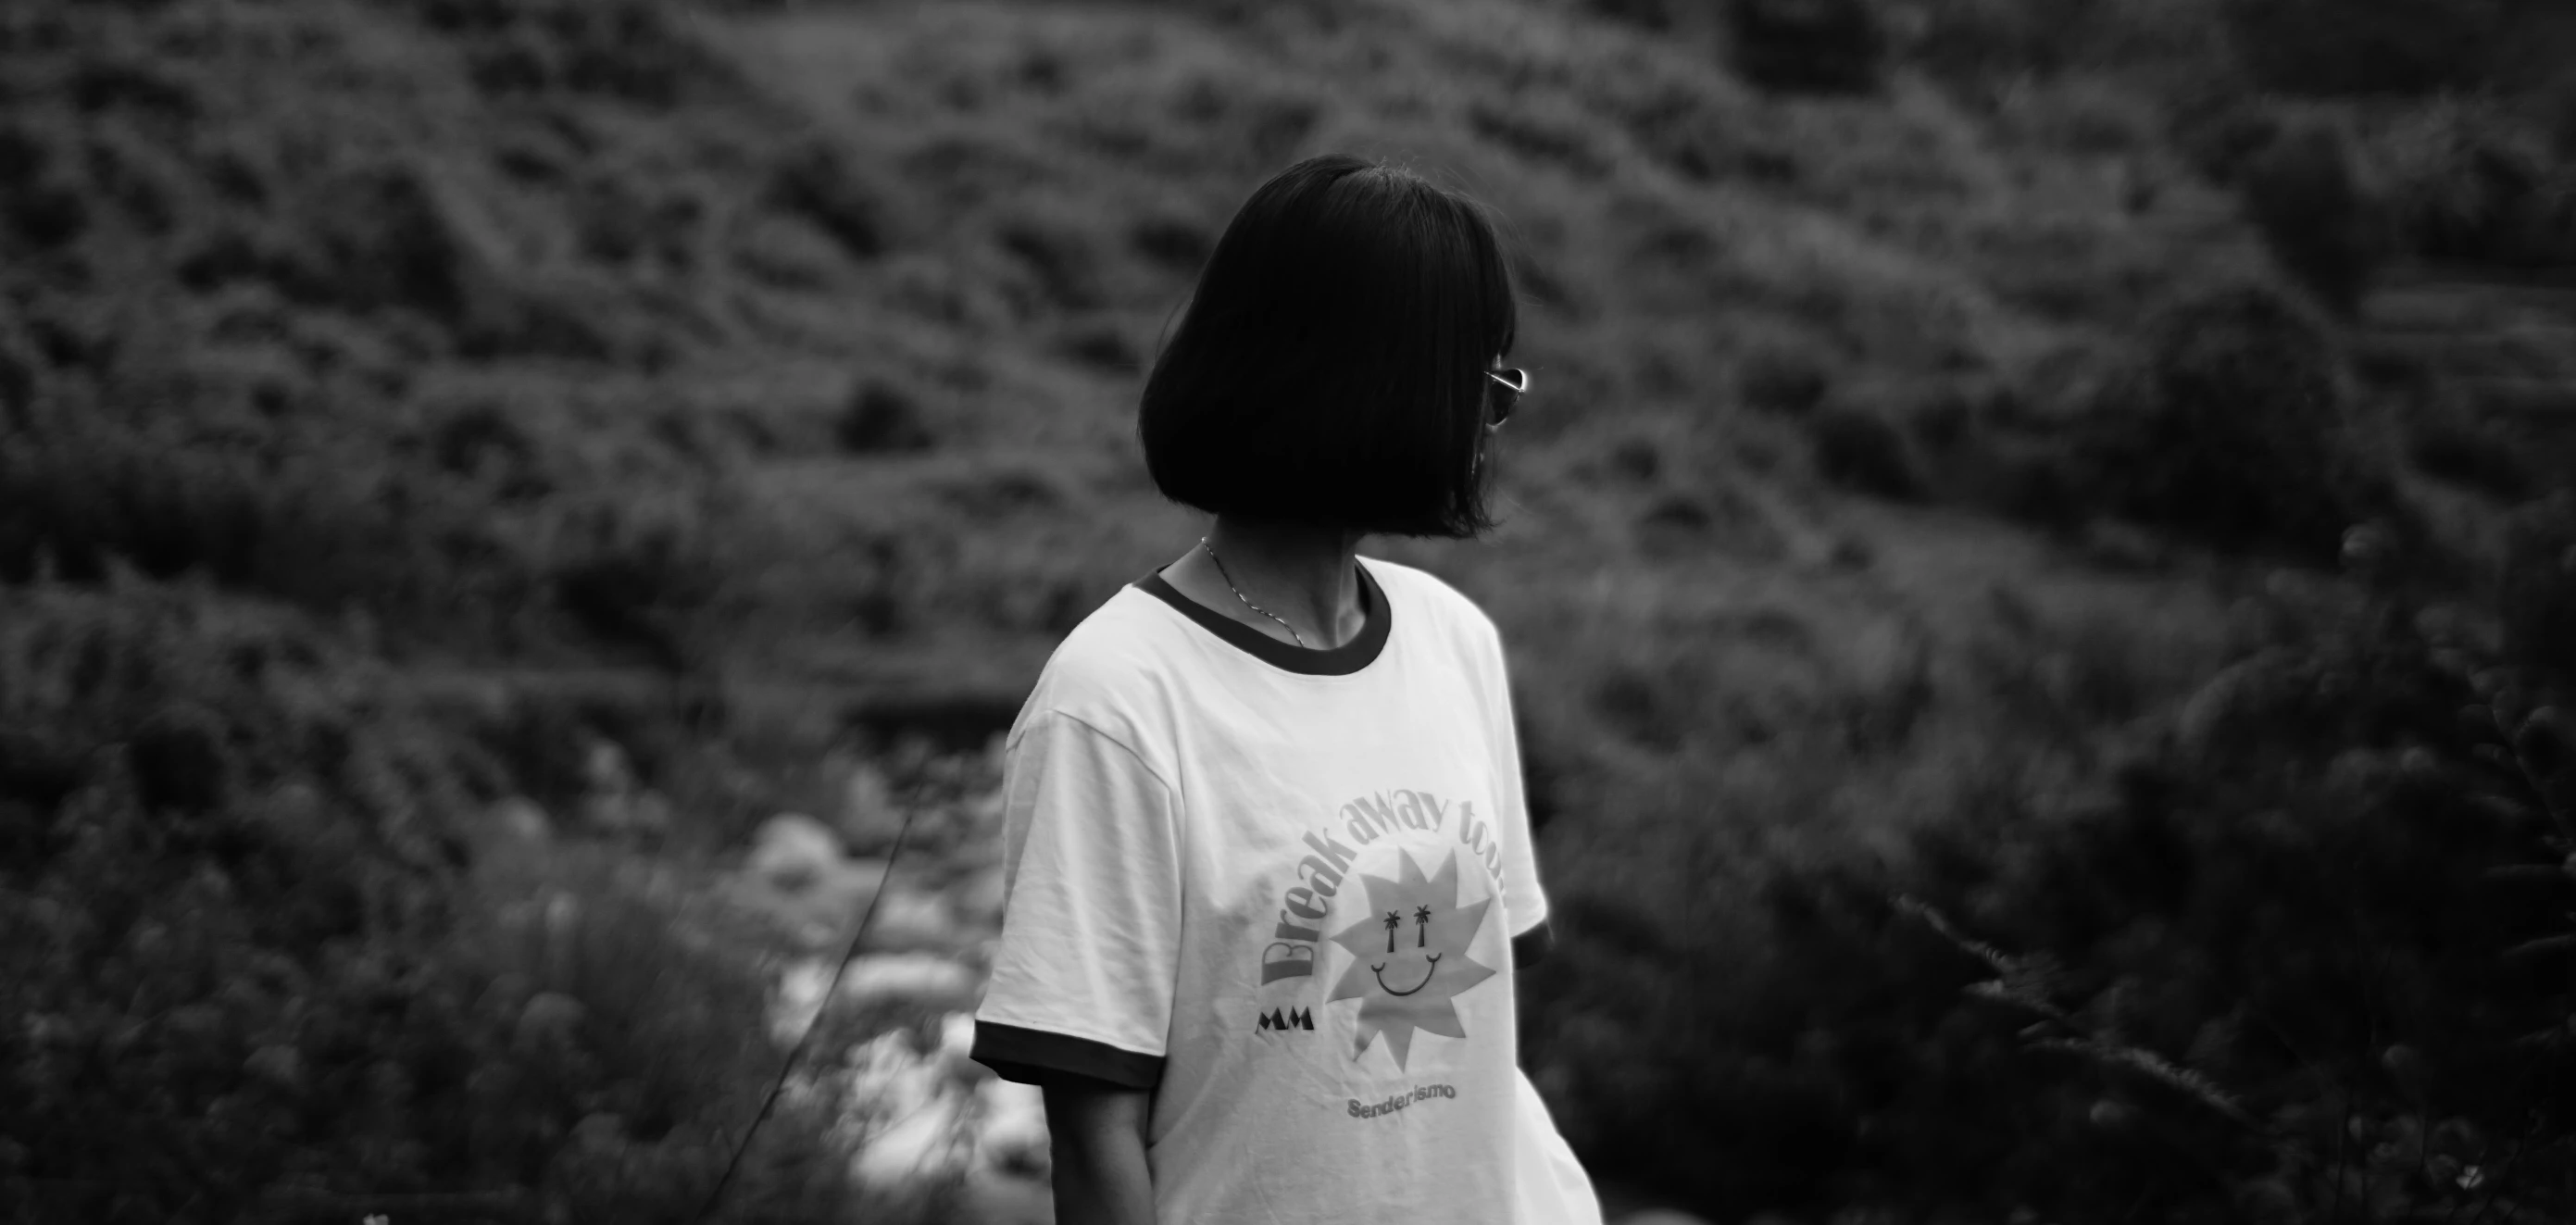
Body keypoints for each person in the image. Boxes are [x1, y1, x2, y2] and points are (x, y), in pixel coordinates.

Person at [969, 153, 1602, 1225]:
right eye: (1487, 390)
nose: (1492, 427)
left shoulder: (1451, 642)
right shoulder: (1117, 699)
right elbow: (1094, 1136)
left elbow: (1478, 1045)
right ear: (1381, 388)